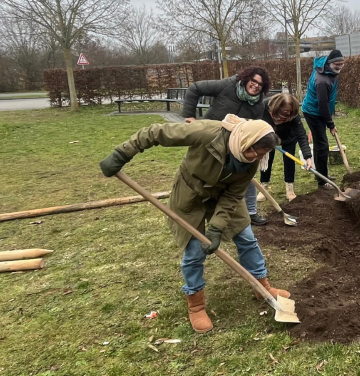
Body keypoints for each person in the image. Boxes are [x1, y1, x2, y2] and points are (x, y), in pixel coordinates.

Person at [99, 114, 290, 334]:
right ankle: (196, 303)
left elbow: (232, 197)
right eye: (253, 151)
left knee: (246, 237)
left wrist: (217, 228)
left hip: (224, 196)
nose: (255, 157)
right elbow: (155, 133)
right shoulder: (206, 133)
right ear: (245, 141)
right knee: (194, 250)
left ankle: (262, 286)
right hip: (191, 195)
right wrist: (122, 153)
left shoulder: (251, 162)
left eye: (261, 154)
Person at [182, 66, 271, 226]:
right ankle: (195, 209)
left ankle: (250, 213)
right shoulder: (228, 85)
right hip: (210, 139)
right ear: (246, 79)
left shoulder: (259, 105)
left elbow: (254, 127)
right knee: (203, 173)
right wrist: (189, 116)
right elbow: (195, 88)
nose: (256, 86)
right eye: (254, 81)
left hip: (235, 145)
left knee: (246, 176)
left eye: (260, 84)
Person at [244, 93, 312, 211]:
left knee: (289, 160)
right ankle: (263, 189)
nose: (288, 114)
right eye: (285, 111)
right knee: (266, 161)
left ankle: (289, 189)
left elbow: (301, 135)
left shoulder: (293, 113)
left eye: (290, 112)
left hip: (288, 137)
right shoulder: (263, 107)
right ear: (276, 108)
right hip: (267, 136)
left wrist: (308, 156)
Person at [302, 50, 344, 187]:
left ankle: (322, 174)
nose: (339, 67)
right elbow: (322, 106)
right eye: (337, 64)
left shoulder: (328, 68)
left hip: (319, 111)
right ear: (330, 63)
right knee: (322, 145)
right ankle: (322, 181)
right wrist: (331, 125)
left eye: (342, 64)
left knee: (320, 145)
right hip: (313, 112)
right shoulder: (322, 81)